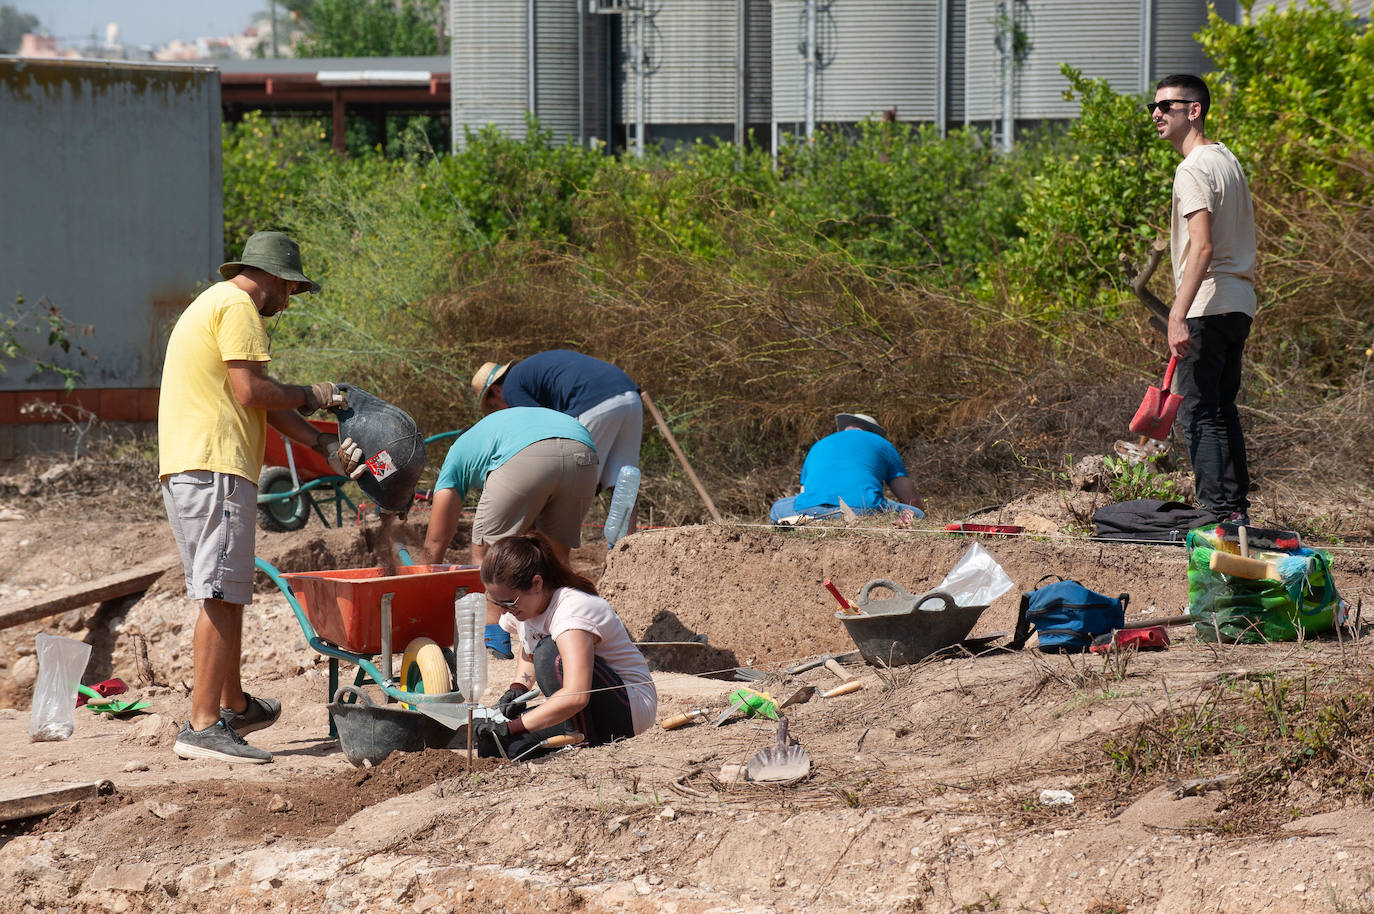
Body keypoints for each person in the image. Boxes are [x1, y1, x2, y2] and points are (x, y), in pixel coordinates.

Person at [160, 230, 349, 764]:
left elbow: (258, 400)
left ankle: (234, 704)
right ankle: (201, 727)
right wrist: (316, 394)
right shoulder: (239, 305)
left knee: (227, 589)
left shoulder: (214, 304)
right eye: (288, 289)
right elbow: (252, 393)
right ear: (268, 277)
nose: (287, 302)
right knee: (221, 592)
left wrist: (318, 440)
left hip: (195, 464)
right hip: (213, 464)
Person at [1151, 74, 1256, 524]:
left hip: (1208, 304)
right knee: (1220, 406)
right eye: (1152, 107)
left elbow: (1203, 246)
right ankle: (1234, 510)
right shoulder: (1227, 160)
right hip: (1239, 303)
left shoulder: (1192, 167)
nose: (1156, 114)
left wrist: (1178, 312)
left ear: (1193, 110)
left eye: (1166, 106)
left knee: (1197, 410)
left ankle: (1216, 512)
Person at [417, 406, 598, 658]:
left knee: (488, 555)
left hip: (525, 456)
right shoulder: (504, 427)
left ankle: (495, 641)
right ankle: (568, 634)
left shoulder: (459, 450)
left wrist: (420, 581)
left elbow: (436, 538)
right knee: (555, 560)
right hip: (584, 452)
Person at [471, 532, 657, 760]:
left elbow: (576, 695)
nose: (503, 611)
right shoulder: (522, 607)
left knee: (550, 654)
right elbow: (529, 648)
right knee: (495, 748)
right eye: (496, 602)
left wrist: (513, 727)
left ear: (537, 583)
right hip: (585, 710)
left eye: (508, 602)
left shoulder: (571, 610)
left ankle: (583, 745)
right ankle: (575, 735)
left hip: (629, 709)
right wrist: (518, 688)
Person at [472, 351, 642, 529]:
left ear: (496, 390)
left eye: (494, 406)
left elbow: (540, 434)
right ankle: (627, 548)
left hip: (593, 403)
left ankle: (551, 547)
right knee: (623, 480)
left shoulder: (511, 389)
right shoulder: (528, 375)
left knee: (566, 481)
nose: (501, 411)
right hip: (629, 395)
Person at [769, 413, 925, 523]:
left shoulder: (819, 445)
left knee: (778, 507)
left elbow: (805, 492)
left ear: (846, 428)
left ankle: (816, 521)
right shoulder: (882, 444)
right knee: (917, 514)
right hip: (862, 509)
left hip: (810, 510)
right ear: (872, 432)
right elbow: (911, 500)